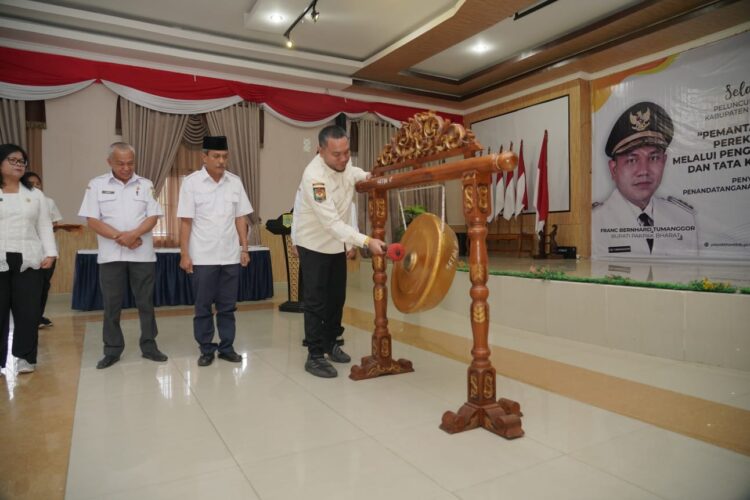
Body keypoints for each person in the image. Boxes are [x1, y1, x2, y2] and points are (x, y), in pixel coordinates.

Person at [292, 125, 386, 378]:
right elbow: (332, 223)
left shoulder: (346, 166)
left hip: (336, 244)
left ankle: (331, 343)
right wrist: (367, 241)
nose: (343, 158)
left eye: (347, 152)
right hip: (313, 244)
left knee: (336, 298)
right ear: (320, 151)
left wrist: (375, 177)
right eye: (337, 154)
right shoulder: (314, 178)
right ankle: (314, 355)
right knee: (315, 301)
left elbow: (356, 174)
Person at [78, 142, 167, 369]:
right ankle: (112, 349)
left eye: (130, 163)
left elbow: (153, 216)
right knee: (111, 305)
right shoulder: (96, 185)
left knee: (146, 303)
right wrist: (122, 237)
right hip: (110, 256)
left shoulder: (146, 184)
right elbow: (92, 220)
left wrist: (135, 234)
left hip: (142, 255)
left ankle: (149, 346)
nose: (126, 168)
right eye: (120, 163)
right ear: (110, 162)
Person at [177, 136, 253, 367]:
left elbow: (240, 218)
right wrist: (184, 254)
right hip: (203, 256)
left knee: (227, 306)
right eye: (216, 156)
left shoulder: (235, 182)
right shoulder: (191, 183)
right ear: (205, 157)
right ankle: (206, 348)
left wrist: (244, 248)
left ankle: (227, 347)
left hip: (230, 255)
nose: (221, 161)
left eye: (225, 156)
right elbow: (186, 222)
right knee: (203, 306)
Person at [592, 101, 697, 257]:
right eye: (632, 160)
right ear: (614, 169)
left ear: (664, 162)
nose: (644, 171)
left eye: (653, 158)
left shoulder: (684, 218)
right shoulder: (593, 222)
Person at [0, 144, 57, 374]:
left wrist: (50, 253)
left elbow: (44, 225)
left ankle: (25, 357)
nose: (18, 164)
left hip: (29, 259)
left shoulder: (35, 194)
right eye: (13, 160)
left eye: (22, 161)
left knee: (28, 311)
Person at [22, 172, 62, 329]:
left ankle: (38, 316)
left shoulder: (48, 201)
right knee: (29, 286)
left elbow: (55, 224)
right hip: (28, 251)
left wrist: (50, 227)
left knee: (44, 285)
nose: (35, 186)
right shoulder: (19, 201)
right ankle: (28, 317)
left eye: (38, 183)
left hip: (47, 252)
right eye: (31, 183)